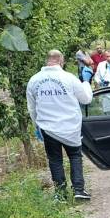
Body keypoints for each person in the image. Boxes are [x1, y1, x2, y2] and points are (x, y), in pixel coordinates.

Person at [27, 50, 94, 200]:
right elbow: (86, 99)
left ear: (47, 61)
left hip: (48, 128)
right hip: (70, 127)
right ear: (61, 61)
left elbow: (32, 107)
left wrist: (36, 124)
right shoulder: (68, 78)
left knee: (55, 159)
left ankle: (60, 193)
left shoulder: (34, 80)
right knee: (75, 156)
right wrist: (85, 81)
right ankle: (78, 190)